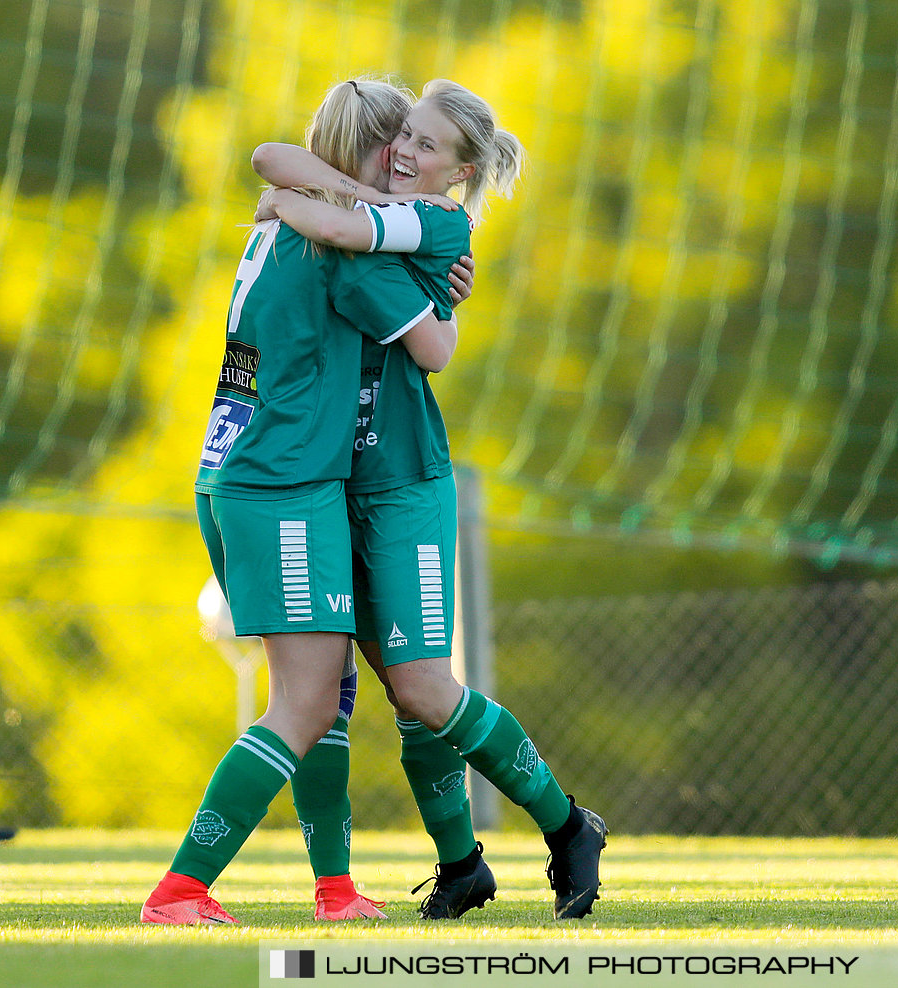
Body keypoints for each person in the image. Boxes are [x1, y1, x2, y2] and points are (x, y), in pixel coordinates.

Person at [253, 79, 609, 922]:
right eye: (400, 136)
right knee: (387, 683)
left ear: (459, 171)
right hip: (337, 483)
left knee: (419, 687)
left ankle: (567, 825)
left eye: (423, 146)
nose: (404, 154)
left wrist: (309, 209)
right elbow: (272, 161)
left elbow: (435, 347)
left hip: (404, 480)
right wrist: (311, 198)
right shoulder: (377, 222)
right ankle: (460, 866)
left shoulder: (417, 229)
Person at [141, 78, 461, 926]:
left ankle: (334, 889)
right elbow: (433, 350)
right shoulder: (339, 242)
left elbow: (272, 162)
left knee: (329, 692)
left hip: (250, 476)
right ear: (374, 149)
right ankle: (180, 890)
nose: (408, 163)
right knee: (308, 700)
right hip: (276, 486)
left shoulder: (288, 213)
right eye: (400, 146)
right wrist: (439, 284)